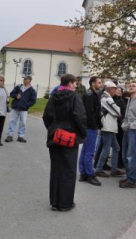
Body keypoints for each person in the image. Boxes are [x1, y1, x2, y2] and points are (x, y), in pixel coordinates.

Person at [43, 74, 87, 211]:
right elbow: (79, 116)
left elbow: (46, 117)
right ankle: (65, 203)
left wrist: (53, 129)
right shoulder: (74, 97)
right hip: (69, 137)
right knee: (68, 170)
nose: (76, 85)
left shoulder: (53, 97)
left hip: (55, 137)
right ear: (69, 83)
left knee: (56, 168)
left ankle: (55, 202)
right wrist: (82, 133)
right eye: (74, 83)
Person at [95, 81, 124, 178]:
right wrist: (118, 112)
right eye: (115, 88)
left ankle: (114, 170)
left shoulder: (105, 97)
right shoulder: (107, 98)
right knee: (106, 149)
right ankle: (99, 169)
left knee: (116, 148)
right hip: (108, 127)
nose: (116, 90)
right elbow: (117, 112)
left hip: (109, 127)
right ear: (110, 89)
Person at [78, 76, 103, 186]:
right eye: (99, 82)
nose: (101, 84)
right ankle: (89, 174)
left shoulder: (92, 94)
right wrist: (95, 126)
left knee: (85, 151)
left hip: (89, 126)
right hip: (90, 127)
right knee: (89, 152)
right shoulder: (90, 95)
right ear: (93, 83)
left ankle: (83, 173)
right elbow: (89, 113)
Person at [5, 76, 37, 143]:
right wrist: (16, 96)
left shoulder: (32, 90)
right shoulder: (19, 87)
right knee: (12, 121)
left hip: (24, 109)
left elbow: (33, 100)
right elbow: (11, 94)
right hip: (15, 107)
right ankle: (10, 135)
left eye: (26, 79)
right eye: (24, 79)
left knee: (23, 123)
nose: (24, 80)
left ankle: (20, 136)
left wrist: (27, 105)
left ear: (29, 80)